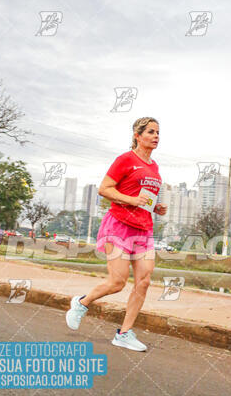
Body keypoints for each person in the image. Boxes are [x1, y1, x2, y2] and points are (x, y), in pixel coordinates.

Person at [65, 117, 167, 352]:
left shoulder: (154, 166)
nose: (156, 136)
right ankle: (82, 303)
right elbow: (104, 189)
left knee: (144, 281)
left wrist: (155, 207)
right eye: (151, 132)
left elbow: (143, 197)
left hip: (143, 227)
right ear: (137, 135)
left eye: (158, 133)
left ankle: (124, 333)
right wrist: (132, 200)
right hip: (119, 225)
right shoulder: (125, 160)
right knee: (117, 282)